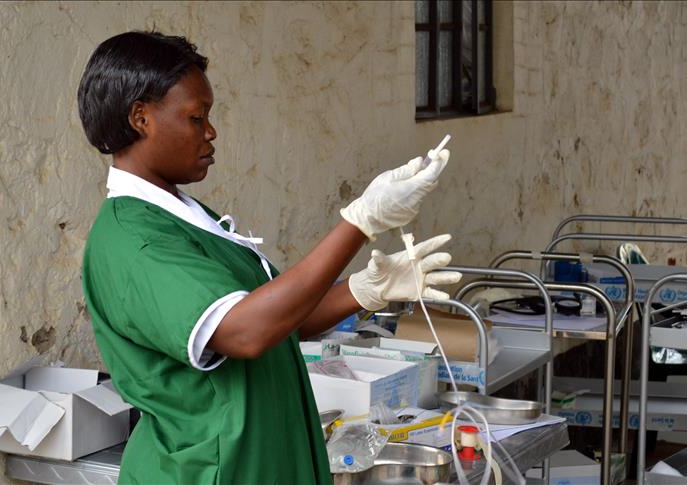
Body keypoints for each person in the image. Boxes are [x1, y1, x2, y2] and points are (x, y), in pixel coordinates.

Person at [77, 31, 461, 484]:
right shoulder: (134, 240)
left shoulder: (187, 218)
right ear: (141, 118)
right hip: (212, 472)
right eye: (196, 117)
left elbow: (282, 320)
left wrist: (362, 291)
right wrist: (359, 223)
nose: (210, 132)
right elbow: (247, 332)